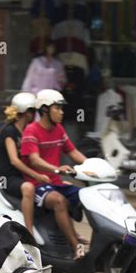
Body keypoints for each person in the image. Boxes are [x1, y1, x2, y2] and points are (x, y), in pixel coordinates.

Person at [20, 89, 88, 260]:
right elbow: (35, 161)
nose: (61, 112)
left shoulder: (59, 129)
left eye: (61, 109)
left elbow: (73, 152)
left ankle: (73, 233)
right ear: (44, 110)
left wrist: (93, 167)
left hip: (56, 182)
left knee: (86, 196)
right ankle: (75, 247)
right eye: (57, 108)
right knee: (59, 201)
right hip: (38, 184)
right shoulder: (31, 130)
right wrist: (56, 170)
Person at [0, 92, 48, 235]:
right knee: (28, 188)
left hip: (23, 175)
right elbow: (14, 160)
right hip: (10, 178)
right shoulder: (9, 132)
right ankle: (29, 230)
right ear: (27, 113)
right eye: (33, 111)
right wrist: (36, 175)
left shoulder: (27, 132)